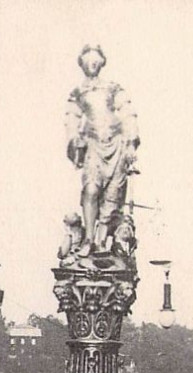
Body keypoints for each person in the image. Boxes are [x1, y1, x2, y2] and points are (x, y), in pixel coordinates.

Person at [65, 45, 140, 254]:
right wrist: (73, 140)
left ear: (102, 62)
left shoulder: (112, 88)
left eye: (96, 59)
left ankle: (101, 241)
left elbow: (127, 111)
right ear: (82, 63)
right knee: (91, 189)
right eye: (88, 60)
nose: (92, 63)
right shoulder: (78, 92)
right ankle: (88, 239)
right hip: (93, 144)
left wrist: (131, 142)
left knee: (112, 196)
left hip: (116, 144)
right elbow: (71, 118)